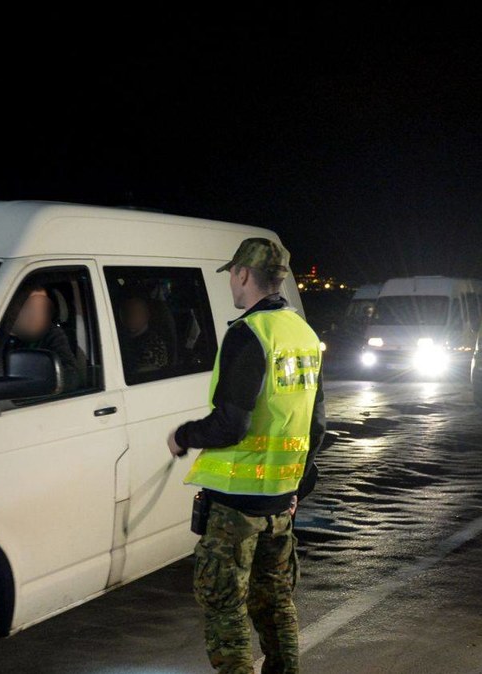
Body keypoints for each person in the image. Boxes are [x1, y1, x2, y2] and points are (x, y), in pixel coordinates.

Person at [168, 238, 325, 674]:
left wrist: (183, 436)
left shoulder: (248, 334)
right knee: (276, 605)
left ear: (242, 274)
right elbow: (317, 427)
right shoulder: (304, 335)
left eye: (232, 277)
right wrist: (296, 489)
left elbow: (231, 424)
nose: (232, 286)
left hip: (236, 504)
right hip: (280, 503)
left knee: (226, 610)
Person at [1, 284, 80, 392]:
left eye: (42, 308)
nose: (36, 315)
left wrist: (38, 373)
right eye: (29, 307)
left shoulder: (51, 334)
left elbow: (71, 376)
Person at [118, 293, 170, 376]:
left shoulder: (154, 344)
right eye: (126, 311)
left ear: (146, 315)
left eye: (136, 311)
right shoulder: (117, 338)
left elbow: (142, 375)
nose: (131, 315)